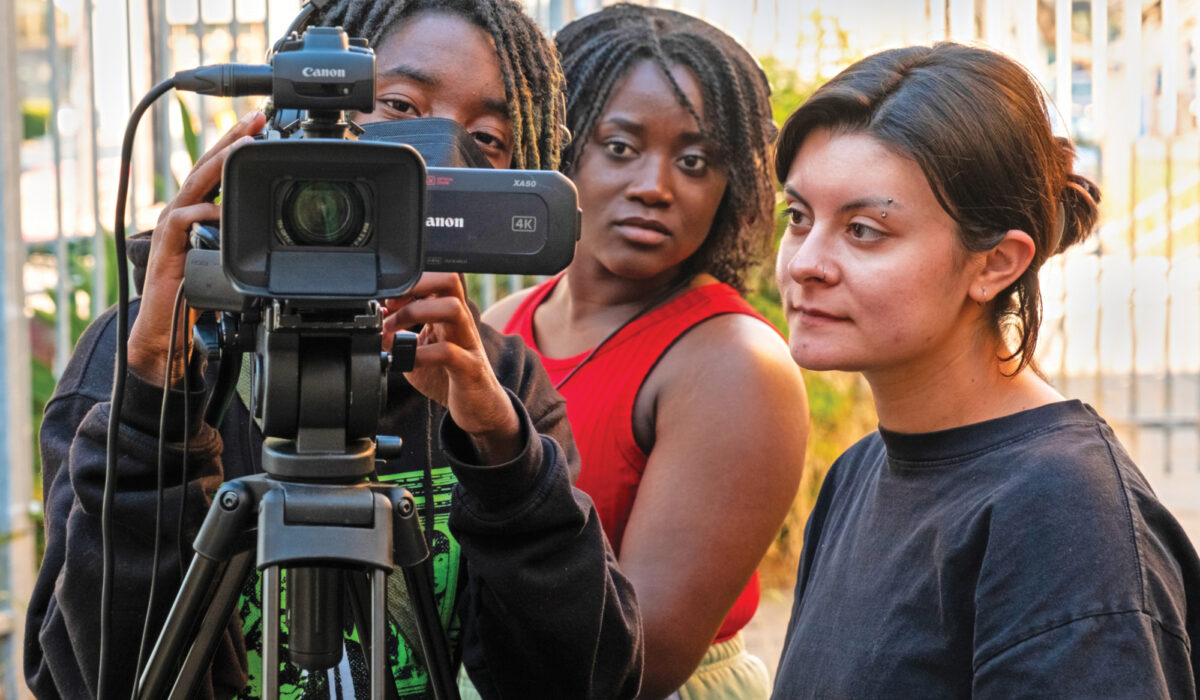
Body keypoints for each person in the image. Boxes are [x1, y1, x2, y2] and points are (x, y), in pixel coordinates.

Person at [25, 1, 643, 698]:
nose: (430, 150)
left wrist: (505, 455)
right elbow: (86, 681)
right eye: (400, 106)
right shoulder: (134, 358)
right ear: (289, 120)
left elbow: (586, 681)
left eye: (487, 136)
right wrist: (152, 407)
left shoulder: (497, 384)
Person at [771, 43, 1200, 697]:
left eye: (863, 230)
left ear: (996, 263)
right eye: (798, 218)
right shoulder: (857, 474)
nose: (805, 262)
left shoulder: (1063, 516)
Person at [483, 5, 808, 698]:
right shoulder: (504, 325)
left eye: (694, 161)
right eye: (621, 147)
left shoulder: (733, 361)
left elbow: (642, 660)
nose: (655, 187)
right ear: (560, 147)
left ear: (730, 186)